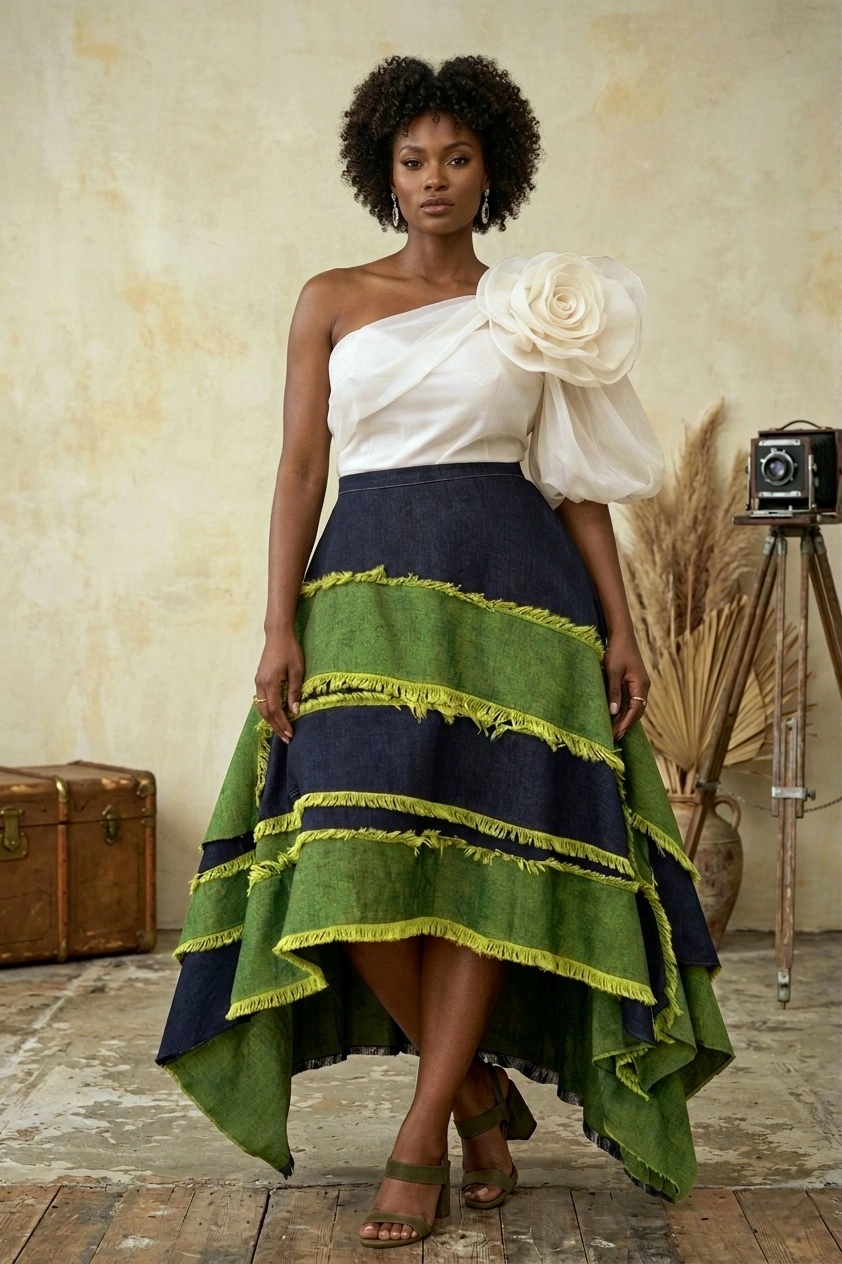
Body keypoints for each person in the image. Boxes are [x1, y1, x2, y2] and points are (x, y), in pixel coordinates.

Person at [157, 54, 733, 1250]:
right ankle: (472, 1089)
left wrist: (621, 625)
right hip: (360, 594)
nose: (433, 178)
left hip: (514, 603)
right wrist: (277, 622)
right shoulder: (329, 297)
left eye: (456, 158)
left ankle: (422, 1131)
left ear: (491, 171)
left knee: (484, 866)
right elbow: (299, 468)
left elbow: (573, 486)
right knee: (344, 858)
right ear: (382, 170)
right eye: (412, 158)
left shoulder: (530, 308)